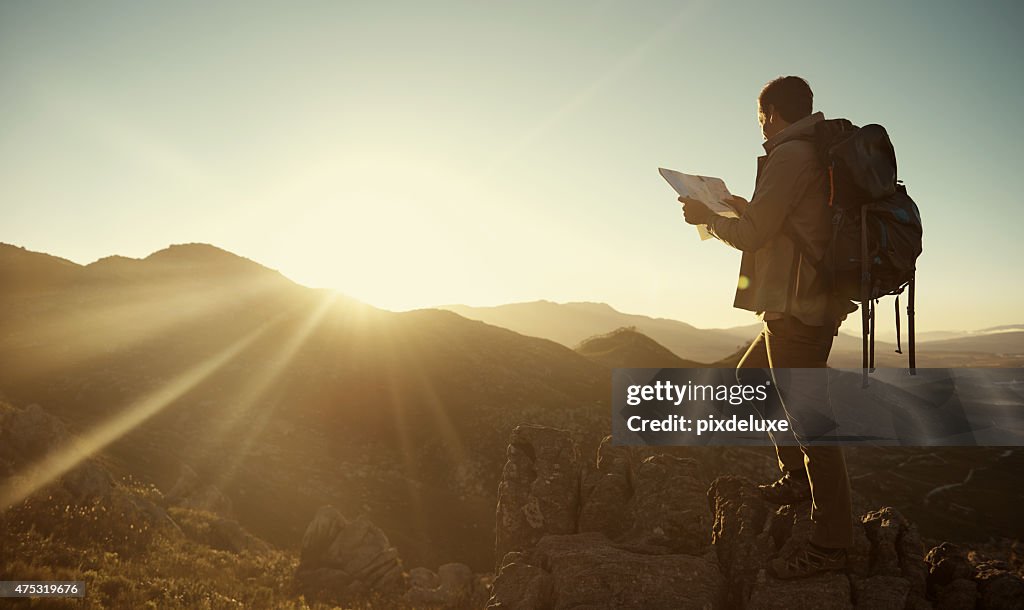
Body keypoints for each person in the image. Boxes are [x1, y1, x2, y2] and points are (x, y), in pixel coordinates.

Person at [678, 76, 856, 580]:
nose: (759, 126)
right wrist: (736, 205)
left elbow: (756, 236)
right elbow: (789, 220)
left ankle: (831, 542)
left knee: (812, 426)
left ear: (772, 112)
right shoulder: (813, 151)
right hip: (804, 301)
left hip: (797, 307)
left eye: (759, 117)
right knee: (750, 376)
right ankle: (797, 481)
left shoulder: (791, 154)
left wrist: (706, 220)